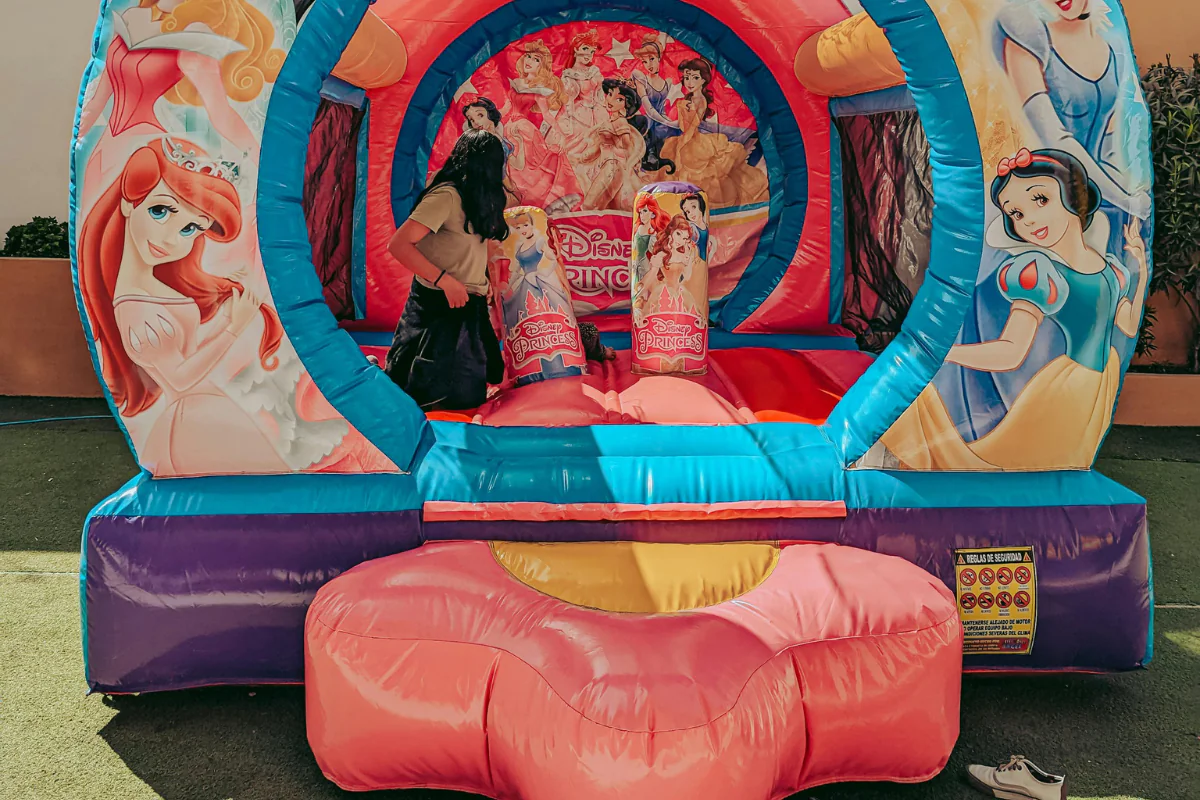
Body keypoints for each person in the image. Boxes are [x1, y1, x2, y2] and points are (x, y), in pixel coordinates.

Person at [77, 138, 365, 476]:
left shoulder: (152, 288)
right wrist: (233, 325)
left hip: (206, 409)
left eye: (189, 228)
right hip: (193, 418)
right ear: (129, 202)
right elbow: (180, 379)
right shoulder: (135, 310)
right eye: (160, 211)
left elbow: (186, 347)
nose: (171, 238)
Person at [879, 149, 1148, 471]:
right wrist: (943, 353)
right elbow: (1010, 352)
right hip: (1069, 388)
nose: (1029, 219)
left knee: (1053, 466)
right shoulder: (1039, 273)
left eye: (1040, 199)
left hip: (1095, 386)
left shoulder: (1112, 271)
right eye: (1016, 213)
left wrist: (1141, 269)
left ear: (1074, 196)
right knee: (1010, 463)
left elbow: (1128, 326)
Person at [77, 0, 282, 213]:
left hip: (146, 150)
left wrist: (265, 165)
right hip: (104, 149)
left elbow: (221, 113)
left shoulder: (193, 34)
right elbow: (98, 99)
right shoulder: (131, 17)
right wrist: (79, 141)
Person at [384, 129, 509, 410]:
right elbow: (399, 245)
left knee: (476, 387)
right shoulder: (446, 196)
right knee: (430, 395)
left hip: (468, 307)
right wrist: (444, 281)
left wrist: (485, 281)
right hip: (435, 307)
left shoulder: (478, 197)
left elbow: (475, 246)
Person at [658, 58, 768, 208]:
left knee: (698, 169)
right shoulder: (688, 99)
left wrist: (683, 145)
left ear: (703, 80)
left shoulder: (700, 100)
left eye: (695, 78)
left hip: (693, 140)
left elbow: (692, 125)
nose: (690, 82)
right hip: (688, 138)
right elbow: (682, 124)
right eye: (687, 77)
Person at [462, 97, 582, 214]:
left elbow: (518, 164)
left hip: (512, 183)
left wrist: (519, 143)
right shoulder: (483, 144)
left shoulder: (500, 138)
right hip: (498, 188)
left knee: (555, 162)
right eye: (472, 120)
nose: (477, 122)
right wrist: (511, 187)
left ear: (490, 114)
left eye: (480, 115)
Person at [572, 79, 647, 212]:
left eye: (619, 99)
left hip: (613, 168)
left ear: (626, 104)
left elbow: (628, 146)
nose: (610, 100)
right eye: (610, 94)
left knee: (589, 205)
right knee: (609, 209)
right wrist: (581, 158)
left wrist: (631, 164)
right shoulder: (610, 122)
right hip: (607, 166)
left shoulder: (621, 123)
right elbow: (598, 148)